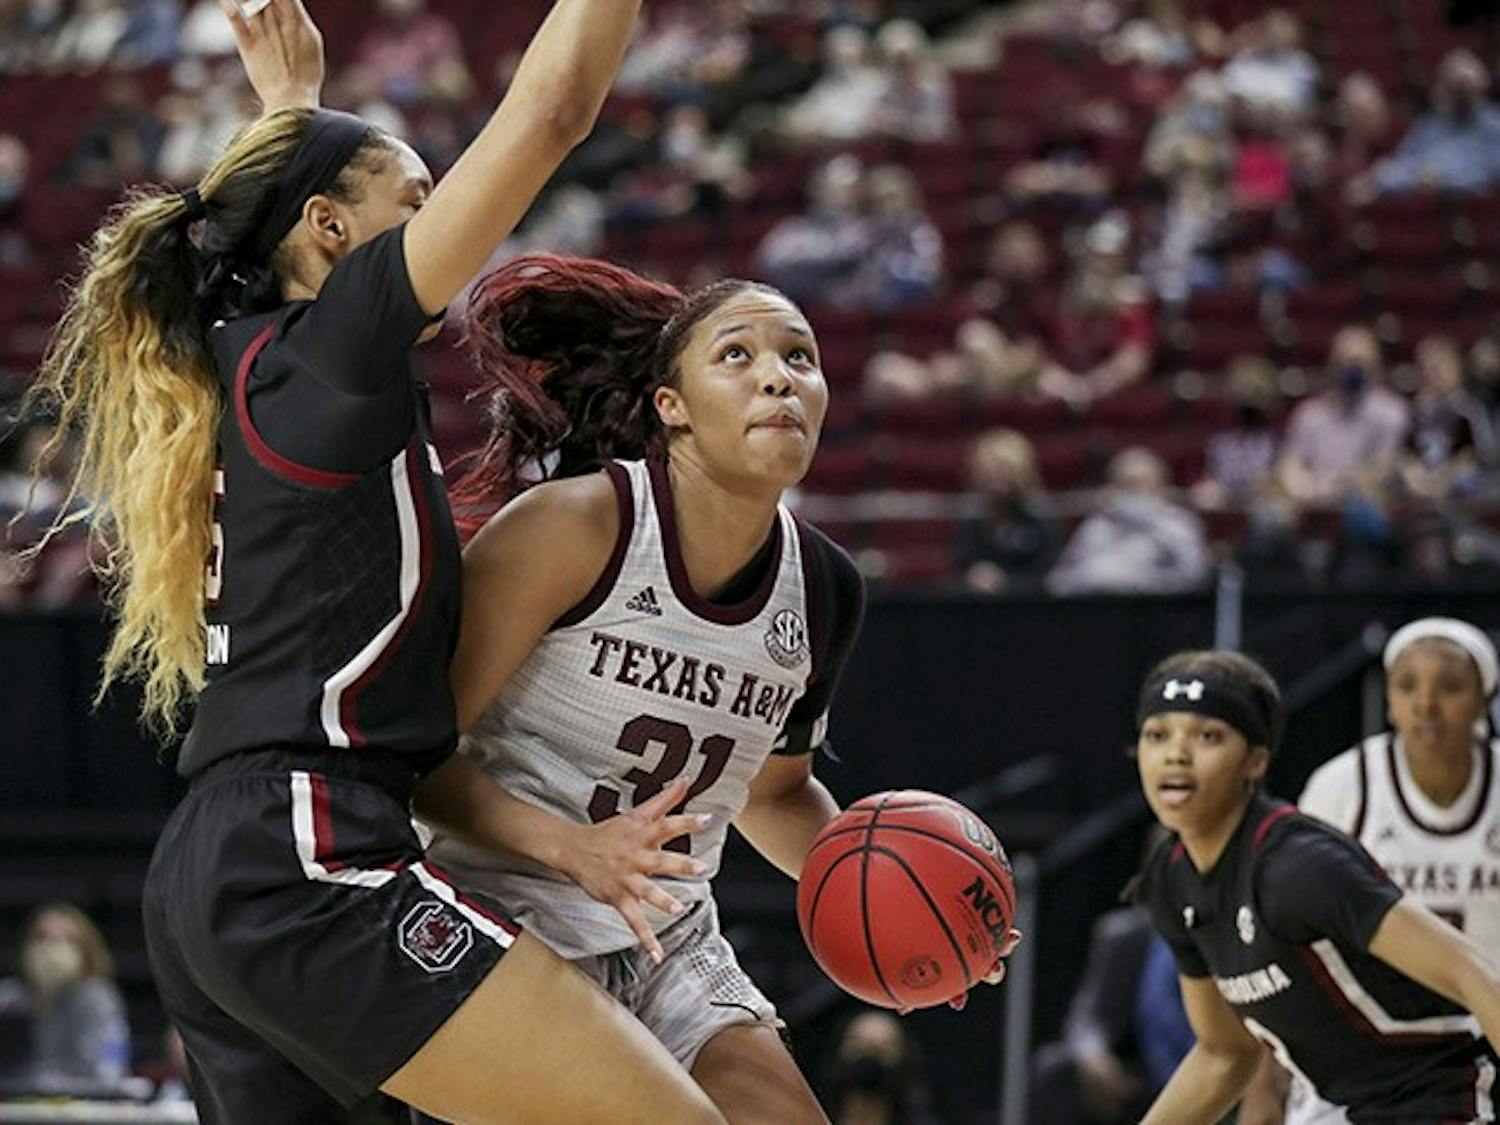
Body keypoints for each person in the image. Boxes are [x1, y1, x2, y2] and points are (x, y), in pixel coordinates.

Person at [24, 2, 726, 1122]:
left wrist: (289, 111)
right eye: (416, 199)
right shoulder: (332, 355)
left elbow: (263, 229)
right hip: (308, 858)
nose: (439, 219)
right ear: (329, 235)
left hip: (221, 868)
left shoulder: (249, 364)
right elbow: (551, 112)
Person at [425, 253, 1022, 1121]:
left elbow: (773, 791)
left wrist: (931, 914)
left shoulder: (822, 587)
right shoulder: (579, 525)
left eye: (800, 357)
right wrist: (574, 849)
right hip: (500, 903)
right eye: (737, 355)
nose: (778, 376)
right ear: (673, 408)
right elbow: (412, 754)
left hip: (665, 928)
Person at [1131, 649, 1500, 1124]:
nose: (1176, 754)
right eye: (1157, 736)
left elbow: (1474, 973)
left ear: (1256, 761)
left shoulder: (1298, 867)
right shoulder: (1172, 880)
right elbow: (1225, 1052)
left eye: (1208, 736)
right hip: (1339, 1105)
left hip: (1440, 1095)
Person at [1244, 617, 1500, 1124]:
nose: (1425, 704)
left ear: (1483, 698)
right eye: (1408, 686)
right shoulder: (1344, 787)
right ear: (1388, 701)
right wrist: (1262, 1091)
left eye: (1448, 686)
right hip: (1367, 1057)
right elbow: (1282, 949)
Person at [0, 903, 131, 1095]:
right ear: (26, 947)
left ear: (86, 951)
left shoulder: (98, 999)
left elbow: (108, 1073)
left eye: (67, 939)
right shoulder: (8, 999)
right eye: (42, 937)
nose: (52, 948)